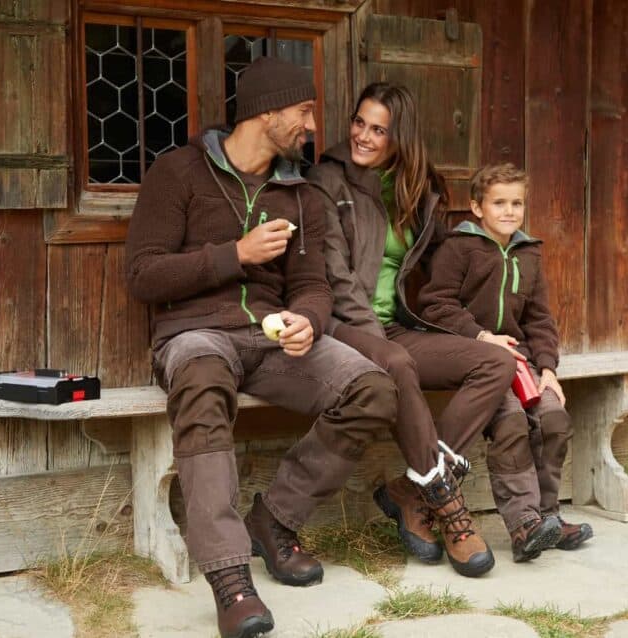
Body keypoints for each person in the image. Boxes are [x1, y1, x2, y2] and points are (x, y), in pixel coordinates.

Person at [125, 57, 397, 638]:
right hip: (195, 334)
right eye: (302, 111)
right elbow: (144, 276)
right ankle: (229, 577)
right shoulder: (178, 173)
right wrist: (235, 255)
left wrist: (308, 320)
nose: (309, 124)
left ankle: (273, 519)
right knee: (200, 382)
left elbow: (314, 286)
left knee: (373, 387)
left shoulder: (299, 193)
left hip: (272, 339)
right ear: (266, 111)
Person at [308, 82, 518, 578]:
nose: (363, 135)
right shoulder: (327, 180)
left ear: (399, 137)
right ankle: (449, 510)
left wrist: (483, 329)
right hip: (343, 326)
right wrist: (377, 343)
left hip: (396, 325)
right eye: (359, 122)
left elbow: (449, 265)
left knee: (496, 362)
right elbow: (336, 275)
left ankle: (410, 490)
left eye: (378, 129)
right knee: (397, 363)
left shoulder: (418, 189)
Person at [418, 163, 593, 562]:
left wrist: (548, 369)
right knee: (511, 424)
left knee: (554, 418)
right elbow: (436, 305)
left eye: (517, 203)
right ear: (477, 207)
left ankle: (548, 517)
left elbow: (539, 318)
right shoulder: (458, 248)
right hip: (477, 360)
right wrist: (480, 336)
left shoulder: (528, 253)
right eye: (499, 203)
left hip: (523, 362)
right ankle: (523, 526)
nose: (509, 211)